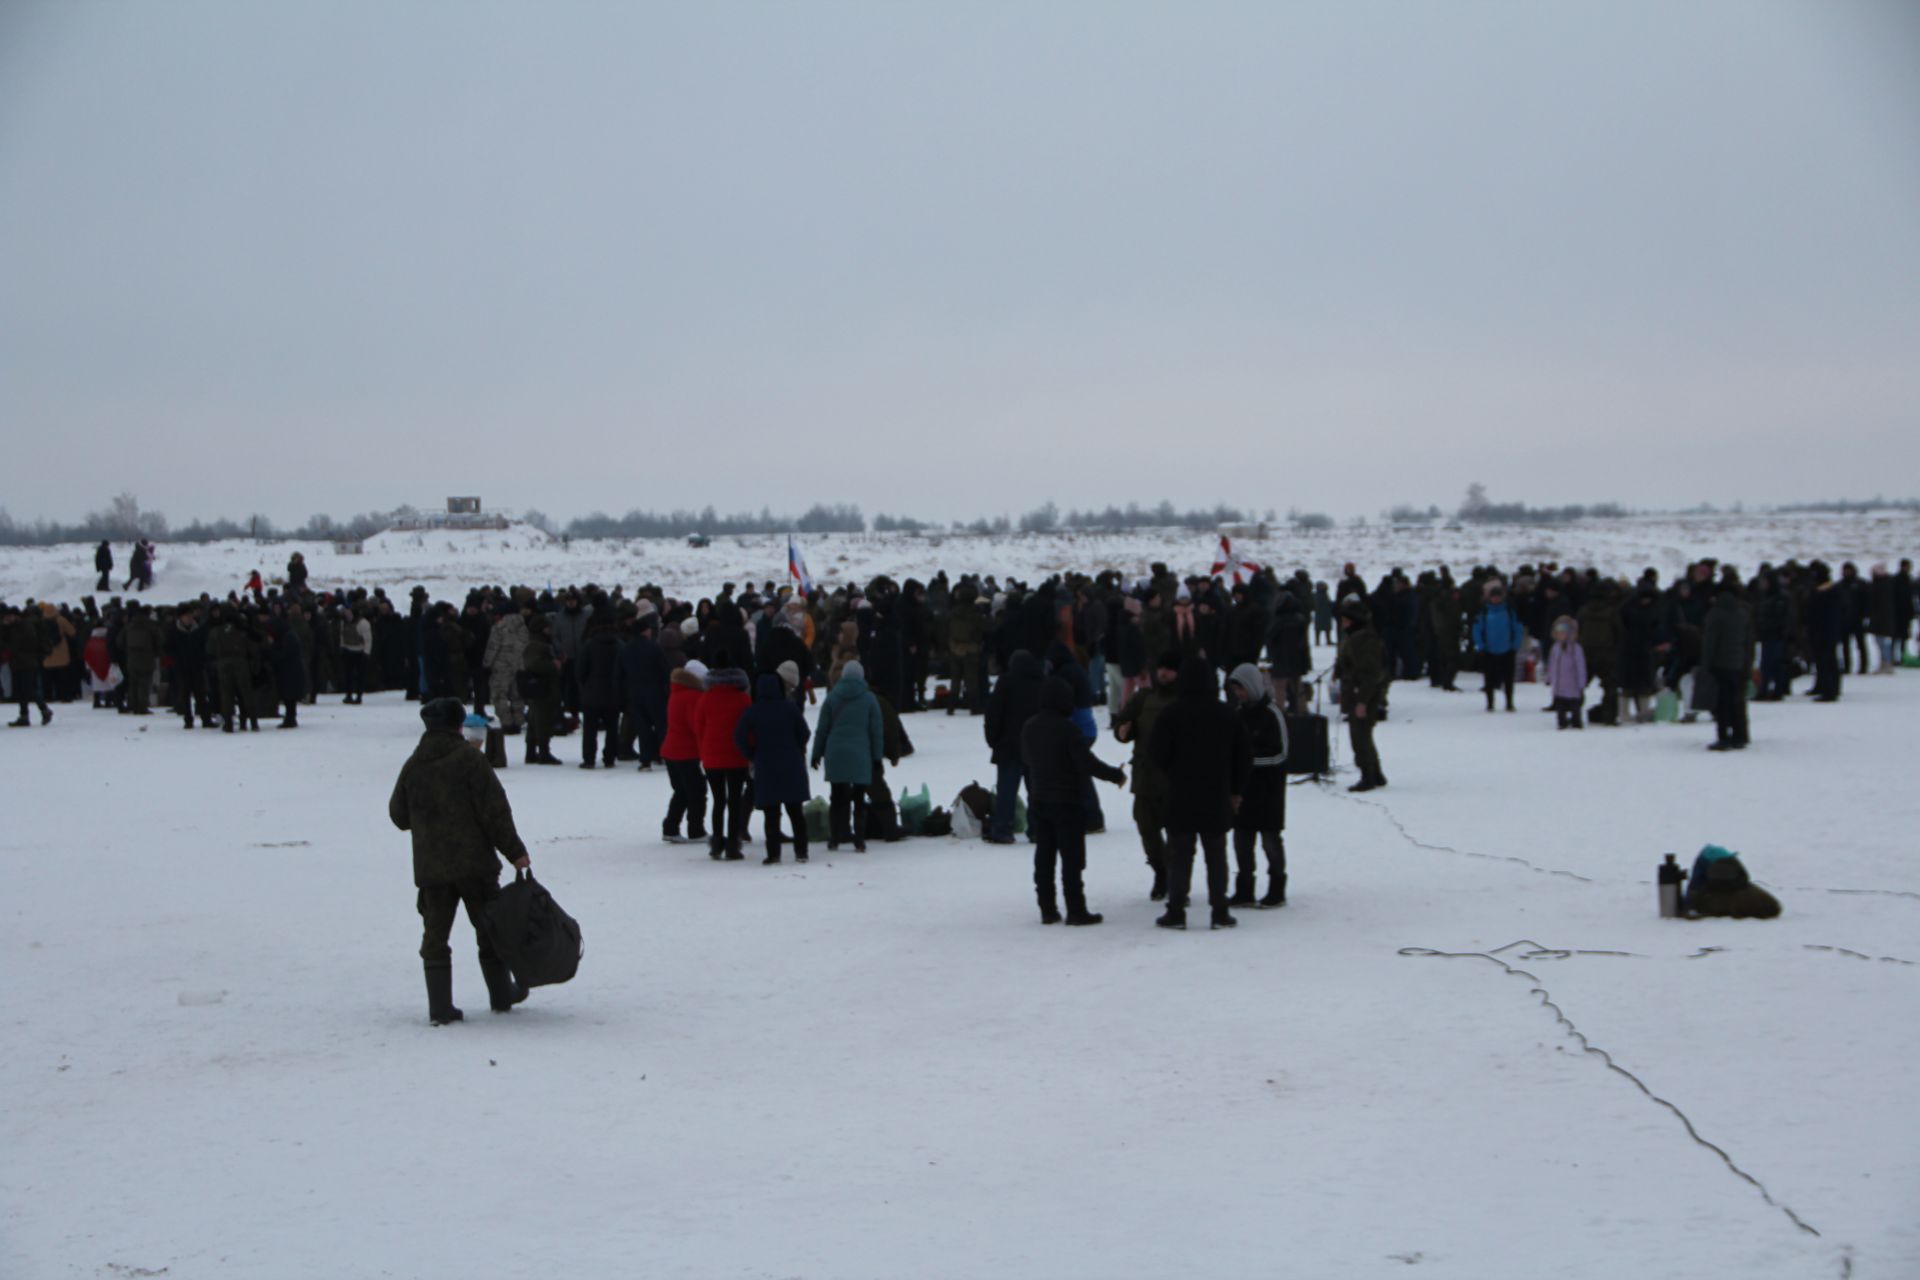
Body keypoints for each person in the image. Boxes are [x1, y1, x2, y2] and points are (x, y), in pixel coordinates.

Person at [388, 696, 532, 1025]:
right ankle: (501, 995)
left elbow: (398, 815)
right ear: (457, 725)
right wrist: (515, 852)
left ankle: (440, 1008)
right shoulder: (469, 759)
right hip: (475, 865)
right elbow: (495, 812)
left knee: (435, 938)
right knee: (489, 930)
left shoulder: (414, 764)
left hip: (431, 868)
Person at [1147, 657, 1252, 931]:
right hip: (1217, 793)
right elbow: (1244, 757)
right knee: (1217, 855)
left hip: (1180, 792)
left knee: (1180, 855)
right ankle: (1220, 910)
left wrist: (1172, 770)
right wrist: (1236, 790)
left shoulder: (1171, 714)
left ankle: (1176, 911)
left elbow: (1155, 753)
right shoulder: (1227, 714)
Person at [1021, 676, 1127, 925]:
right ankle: (1076, 909)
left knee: (1044, 857)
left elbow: (1026, 759)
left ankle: (1047, 909)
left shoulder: (1030, 726)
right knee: (1072, 859)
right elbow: (1087, 763)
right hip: (1067, 801)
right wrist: (1115, 775)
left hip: (1039, 798)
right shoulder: (1067, 729)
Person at [1112, 652, 1181, 900]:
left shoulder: (1185, 699)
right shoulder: (1143, 698)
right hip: (1145, 778)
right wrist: (1123, 730)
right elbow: (1123, 723)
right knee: (1148, 831)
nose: (1164, 673)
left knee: (1177, 835)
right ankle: (1160, 871)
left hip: (1175, 780)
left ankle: (1175, 878)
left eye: (1169, 669)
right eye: (1161, 668)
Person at [1225, 663, 1289, 908]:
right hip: (1243, 792)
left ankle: (1277, 886)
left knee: (1270, 842)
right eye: (1235, 690)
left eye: (1240, 688)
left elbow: (1280, 754)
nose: (1238, 694)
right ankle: (1244, 888)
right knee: (1242, 842)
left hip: (1269, 792)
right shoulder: (1237, 714)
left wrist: (1247, 761)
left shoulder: (1273, 714)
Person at [734, 672, 812, 864]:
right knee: (796, 812)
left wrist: (752, 754)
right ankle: (801, 852)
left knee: (771, 813)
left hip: (766, 766)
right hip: (792, 764)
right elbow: (804, 733)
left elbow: (739, 737)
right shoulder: (790, 708)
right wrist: (796, 747)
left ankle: (773, 853)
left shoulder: (753, 711)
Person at [812, 659, 885, 852]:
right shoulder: (869, 699)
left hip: (835, 754)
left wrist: (816, 754)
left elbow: (822, 729)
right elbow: (876, 731)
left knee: (837, 798)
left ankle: (835, 837)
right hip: (860, 754)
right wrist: (877, 757)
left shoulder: (832, 697)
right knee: (859, 799)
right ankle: (859, 840)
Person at [982, 649, 1045, 844]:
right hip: (1036, 746)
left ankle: (1002, 829)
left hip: (1008, 746)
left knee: (1006, 791)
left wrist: (993, 740)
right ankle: (1038, 829)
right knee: (1036, 791)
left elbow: (993, 714)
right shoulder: (1042, 682)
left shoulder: (1006, 682)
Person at [695, 657, 753, 859]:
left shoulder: (706, 698)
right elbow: (750, 729)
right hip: (736, 756)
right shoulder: (743, 699)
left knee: (718, 800)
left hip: (712, 757)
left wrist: (703, 751)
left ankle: (717, 842)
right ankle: (733, 845)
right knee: (735, 801)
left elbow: (699, 727)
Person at [1334, 597, 1389, 791]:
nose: (1342, 623)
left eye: (1346, 620)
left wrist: (1362, 701)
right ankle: (1376, 773)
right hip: (1358, 692)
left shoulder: (1363, 639)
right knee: (1364, 734)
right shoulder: (1356, 637)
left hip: (1362, 693)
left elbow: (1369, 673)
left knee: (1360, 736)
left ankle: (1368, 775)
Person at [660, 660, 710, 843]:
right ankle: (696, 829)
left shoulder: (677, 692)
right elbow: (697, 727)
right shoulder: (693, 696)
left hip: (671, 750)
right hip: (685, 752)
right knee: (697, 791)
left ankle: (670, 827)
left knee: (682, 791)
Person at [1702, 581, 1753, 751]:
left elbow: (1710, 643)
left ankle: (1723, 737)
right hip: (1738, 664)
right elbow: (1748, 642)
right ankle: (1739, 735)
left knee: (1722, 703)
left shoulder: (1715, 614)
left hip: (1720, 664)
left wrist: (1705, 666)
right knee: (1737, 700)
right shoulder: (1742, 613)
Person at [1471, 580, 1525, 713]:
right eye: (1493, 596)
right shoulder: (1484, 612)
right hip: (1489, 650)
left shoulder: (1509, 610)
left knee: (1508, 679)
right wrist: (1481, 646)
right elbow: (1477, 629)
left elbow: (1517, 628)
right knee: (1489, 679)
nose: (1495, 599)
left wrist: (1515, 645)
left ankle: (1509, 703)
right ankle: (1490, 704)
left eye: (1498, 596)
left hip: (1507, 649)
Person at [520, 613, 563, 765]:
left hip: (540, 687)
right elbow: (533, 664)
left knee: (535, 719)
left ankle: (532, 752)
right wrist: (554, 666)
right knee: (542, 720)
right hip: (542, 688)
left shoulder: (537, 642)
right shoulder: (537, 644)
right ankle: (543, 752)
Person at [4, 602, 53, 726]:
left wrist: (10, 647)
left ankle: (44, 710)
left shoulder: (24, 626)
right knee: (21, 690)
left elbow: (23, 644)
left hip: (27, 662)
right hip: (19, 662)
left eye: (8, 617)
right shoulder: (13, 627)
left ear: (15, 616)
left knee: (29, 689)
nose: (6, 620)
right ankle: (24, 715)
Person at [1546, 616, 1588, 730]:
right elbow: (1552, 664)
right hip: (1559, 684)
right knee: (1560, 705)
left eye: (1563, 633)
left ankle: (1576, 721)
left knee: (1574, 704)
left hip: (1572, 683)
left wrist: (1581, 682)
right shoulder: (1555, 648)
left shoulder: (1575, 648)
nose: (1560, 635)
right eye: (1558, 633)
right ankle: (1562, 722)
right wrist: (1549, 677)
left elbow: (1580, 666)